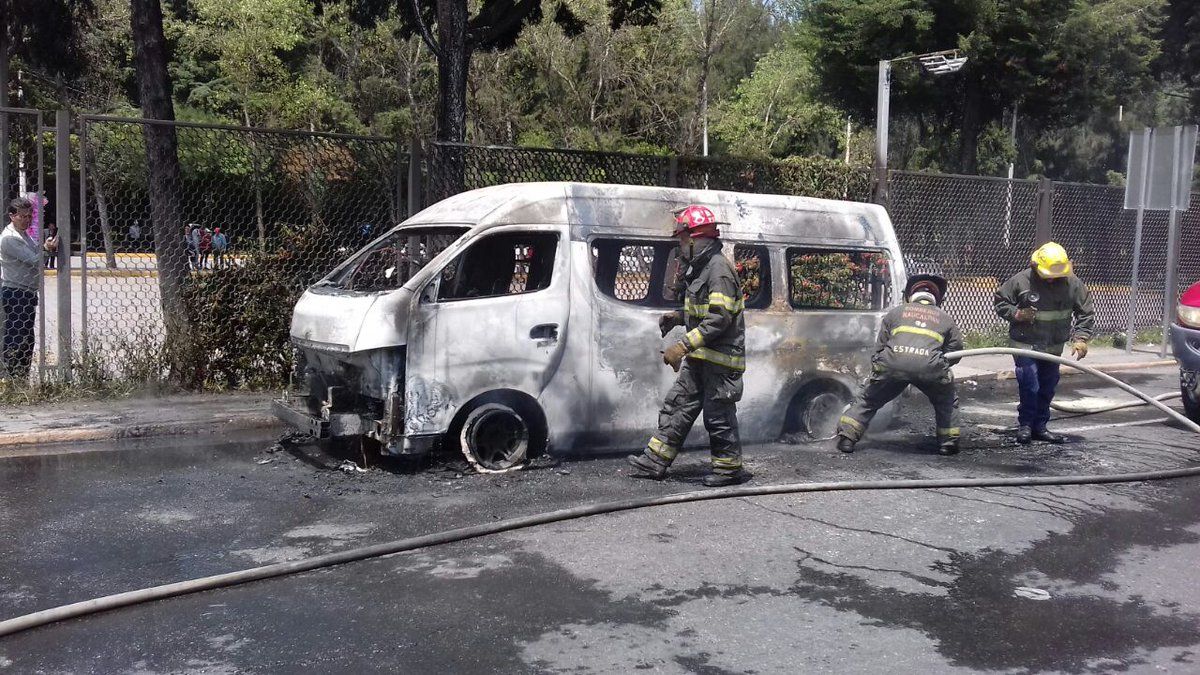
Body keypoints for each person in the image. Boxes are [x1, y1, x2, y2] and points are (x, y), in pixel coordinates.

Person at [626, 205, 749, 487]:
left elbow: (719, 318)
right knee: (678, 405)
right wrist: (678, 317)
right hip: (701, 359)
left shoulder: (718, 269)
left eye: (682, 240)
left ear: (696, 240)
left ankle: (729, 470)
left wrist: (681, 346)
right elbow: (705, 311)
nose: (680, 246)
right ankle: (654, 461)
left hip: (720, 362)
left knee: (719, 418)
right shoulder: (702, 268)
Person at [836, 274, 963, 455]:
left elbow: (880, 346)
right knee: (947, 400)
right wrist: (938, 364)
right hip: (929, 367)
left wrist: (880, 371)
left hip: (892, 365)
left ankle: (847, 439)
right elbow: (956, 350)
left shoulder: (895, 312)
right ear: (937, 298)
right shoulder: (945, 318)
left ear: (910, 295)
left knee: (869, 399)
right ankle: (948, 443)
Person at [994, 241, 1095, 444]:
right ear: (1035, 266)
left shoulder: (1072, 284)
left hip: (1053, 346)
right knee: (1030, 384)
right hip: (1025, 344)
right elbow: (1000, 301)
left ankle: (1040, 426)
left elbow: (1085, 312)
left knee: (1047, 386)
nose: (1052, 280)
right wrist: (1017, 314)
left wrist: (1081, 338)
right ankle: (1025, 426)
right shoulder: (1021, 281)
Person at [1, 197, 40, 379]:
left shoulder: (24, 234)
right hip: (16, 292)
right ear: (12, 216)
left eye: (29, 216)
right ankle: (11, 378)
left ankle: (20, 377)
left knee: (26, 339)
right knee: (17, 337)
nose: (26, 219)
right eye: (22, 216)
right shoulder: (9, 238)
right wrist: (47, 249)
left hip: (27, 292)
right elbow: (35, 261)